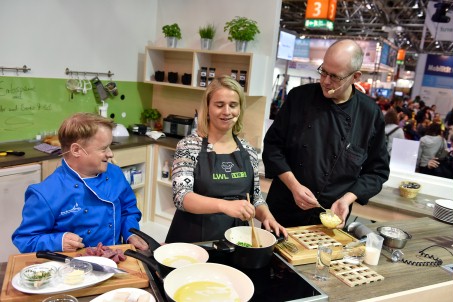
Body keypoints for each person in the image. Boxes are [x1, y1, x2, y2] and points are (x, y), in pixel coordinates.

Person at [262, 39, 390, 228]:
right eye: (323, 72)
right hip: (283, 212)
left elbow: (377, 171)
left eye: (335, 77)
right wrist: (294, 186)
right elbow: (273, 147)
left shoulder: (369, 113)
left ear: (355, 77)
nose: (325, 81)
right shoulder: (299, 98)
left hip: (331, 218)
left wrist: (347, 199)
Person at [165, 76, 287, 243]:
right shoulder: (188, 146)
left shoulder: (248, 151)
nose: (227, 112)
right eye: (219, 105)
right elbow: (181, 197)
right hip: (194, 241)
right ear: (207, 108)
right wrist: (225, 205)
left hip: (237, 241)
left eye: (233, 105)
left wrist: (267, 217)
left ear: (240, 109)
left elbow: (255, 197)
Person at [13, 113, 149, 253]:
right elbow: (24, 239)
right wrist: (58, 241)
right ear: (76, 150)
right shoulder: (45, 193)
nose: (110, 154)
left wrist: (130, 233)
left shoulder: (115, 174)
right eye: (103, 148)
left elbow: (129, 210)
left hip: (115, 258)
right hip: (72, 269)